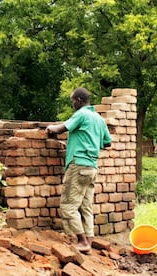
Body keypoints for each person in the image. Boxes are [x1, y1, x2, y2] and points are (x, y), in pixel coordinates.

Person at [46, 87, 112, 254]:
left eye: (73, 101)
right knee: (85, 206)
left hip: (78, 165)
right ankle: (89, 240)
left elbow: (61, 128)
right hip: (92, 167)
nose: (72, 104)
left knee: (68, 206)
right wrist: (91, 142)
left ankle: (82, 242)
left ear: (79, 100)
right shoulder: (98, 118)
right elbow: (107, 143)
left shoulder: (82, 114)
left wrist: (49, 129)